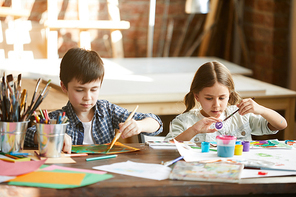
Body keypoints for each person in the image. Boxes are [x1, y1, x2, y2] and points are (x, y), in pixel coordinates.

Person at [25, 48, 163, 153]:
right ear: (64, 87)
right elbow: (26, 134)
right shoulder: (57, 119)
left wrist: (140, 126)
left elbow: (156, 123)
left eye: (94, 89)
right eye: (80, 90)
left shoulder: (107, 110)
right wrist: (50, 135)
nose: (88, 97)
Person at [165, 61, 287, 143]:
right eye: (209, 98)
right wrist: (194, 130)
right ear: (197, 96)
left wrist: (262, 110)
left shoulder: (241, 116)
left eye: (222, 98)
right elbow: (167, 148)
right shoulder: (183, 121)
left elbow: (281, 124)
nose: (216, 104)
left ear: (230, 94)